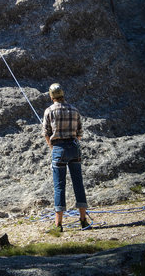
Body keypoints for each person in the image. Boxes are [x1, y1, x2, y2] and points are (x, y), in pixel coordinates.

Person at [43, 83, 89, 232]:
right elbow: (80, 133)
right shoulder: (74, 110)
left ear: (51, 96)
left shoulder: (49, 111)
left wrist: (53, 147)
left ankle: (58, 225)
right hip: (74, 148)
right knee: (78, 184)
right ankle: (83, 220)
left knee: (59, 186)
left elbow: (46, 133)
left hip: (58, 149)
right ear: (63, 94)